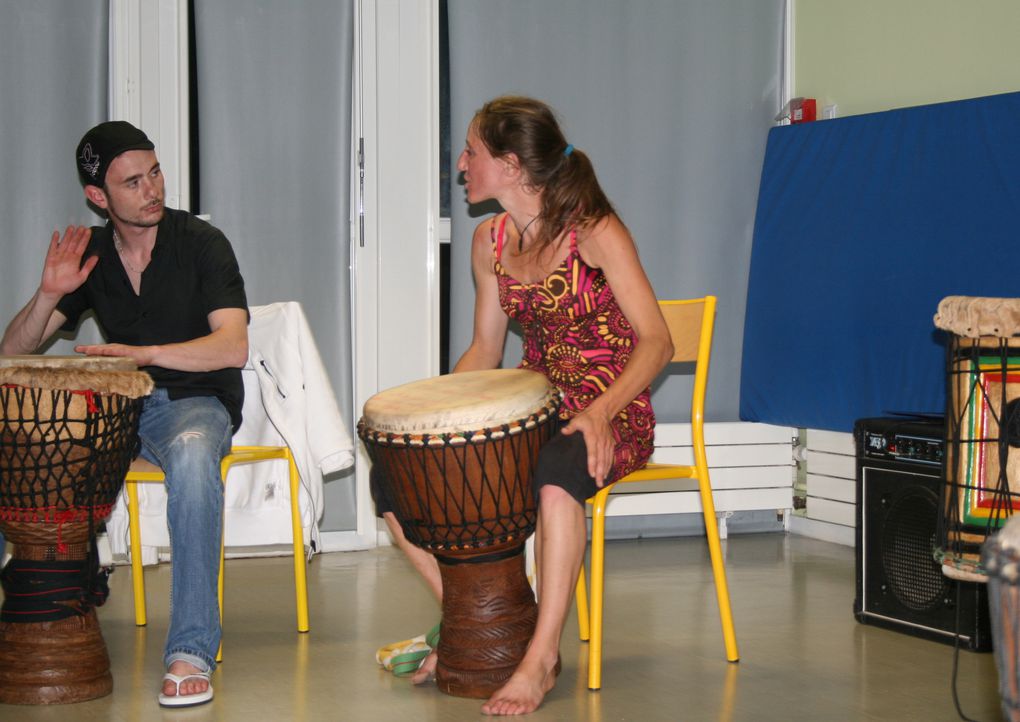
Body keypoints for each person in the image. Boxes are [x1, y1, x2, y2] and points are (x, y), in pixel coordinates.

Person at [376, 96, 674, 716]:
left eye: (472, 152)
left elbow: (657, 342)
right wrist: (430, 420)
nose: (461, 164)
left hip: (613, 410)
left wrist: (600, 412)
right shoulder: (490, 240)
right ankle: (475, 626)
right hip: (535, 406)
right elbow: (485, 350)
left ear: (510, 165)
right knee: (395, 479)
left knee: (559, 471)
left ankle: (537, 658)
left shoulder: (593, 229)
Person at [0, 120, 249, 708]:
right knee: (34, 442)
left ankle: (190, 649)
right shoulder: (89, 254)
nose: (152, 189)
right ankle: (60, 593)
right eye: (132, 182)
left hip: (195, 401)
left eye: (155, 173)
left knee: (192, 458)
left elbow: (232, 346)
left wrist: (149, 354)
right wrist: (48, 294)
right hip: (116, 410)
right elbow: (13, 353)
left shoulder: (200, 243)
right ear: (98, 197)